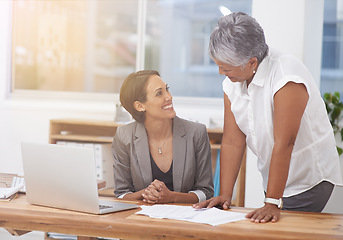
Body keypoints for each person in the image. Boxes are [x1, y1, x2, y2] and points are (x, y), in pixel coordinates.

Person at [193, 12, 343, 223]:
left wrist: (272, 201)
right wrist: (225, 195)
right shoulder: (232, 82)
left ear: (252, 62)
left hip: (311, 183)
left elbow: (285, 142)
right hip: (275, 184)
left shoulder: (287, 74)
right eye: (218, 65)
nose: (220, 72)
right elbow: (233, 141)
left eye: (226, 68)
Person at [112, 70, 214, 204]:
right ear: (140, 106)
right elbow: (121, 194)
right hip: (143, 218)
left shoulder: (196, 133)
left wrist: (172, 197)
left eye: (167, 89)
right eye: (159, 93)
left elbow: (206, 192)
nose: (169, 97)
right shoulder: (124, 136)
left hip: (185, 218)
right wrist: (145, 193)